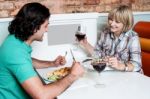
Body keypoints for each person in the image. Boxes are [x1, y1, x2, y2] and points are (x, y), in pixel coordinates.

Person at [0, 2, 84, 99]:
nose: (47, 30)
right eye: (45, 26)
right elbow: (42, 96)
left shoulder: (14, 41)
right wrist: (72, 76)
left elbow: (27, 61)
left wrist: (52, 64)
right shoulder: (15, 52)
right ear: (34, 27)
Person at [79, 5, 142, 72]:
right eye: (111, 19)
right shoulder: (105, 32)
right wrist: (86, 44)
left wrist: (120, 65)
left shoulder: (132, 37)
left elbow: (137, 65)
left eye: (117, 22)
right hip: (111, 72)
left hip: (128, 75)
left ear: (126, 23)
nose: (112, 24)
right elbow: (98, 54)